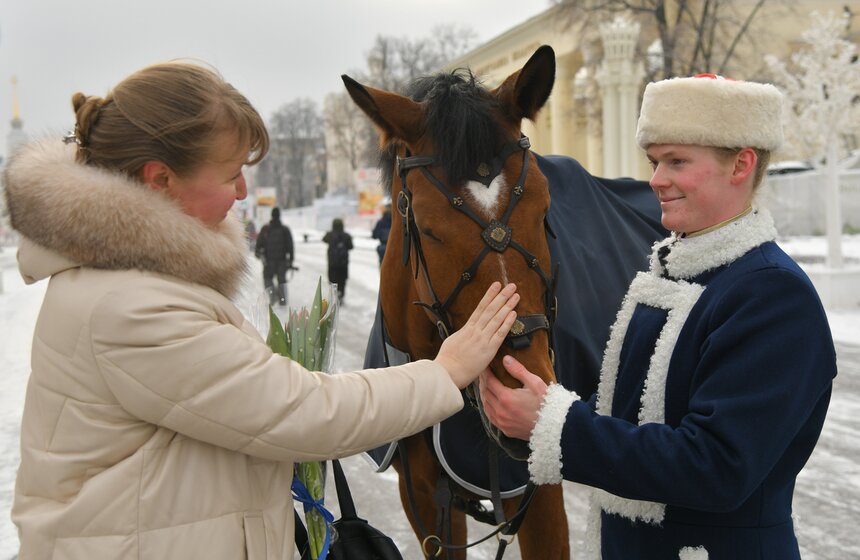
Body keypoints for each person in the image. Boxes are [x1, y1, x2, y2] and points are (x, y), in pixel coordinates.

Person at [2, 60, 522, 559]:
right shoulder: (128, 307)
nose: (245, 191)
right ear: (160, 179)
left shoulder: (124, 278)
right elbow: (302, 412)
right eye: (232, 173)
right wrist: (445, 371)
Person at [479, 74, 837, 559]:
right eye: (654, 161)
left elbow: (717, 466)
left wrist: (555, 427)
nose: (655, 180)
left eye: (677, 162)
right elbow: (631, 417)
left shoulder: (772, 293)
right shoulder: (674, 273)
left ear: (741, 164)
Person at [255, 206, 294, 305]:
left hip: (269, 262)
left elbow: (258, 245)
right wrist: (290, 260)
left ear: (271, 216)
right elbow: (290, 246)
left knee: (268, 279)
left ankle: (273, 297)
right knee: (281, 281)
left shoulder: (266, 229)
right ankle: (282, 300)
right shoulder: (284, 229)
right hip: (281, 261)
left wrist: (258, 254)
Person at [322, 217, 353, 301]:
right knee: (342, 279)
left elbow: (323, 240)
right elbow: (351, 246)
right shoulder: (346, 236)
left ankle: (334, 294)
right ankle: (341, 294)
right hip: (343, 263)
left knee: (332, 279)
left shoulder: (329, 235)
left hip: (332, 262)